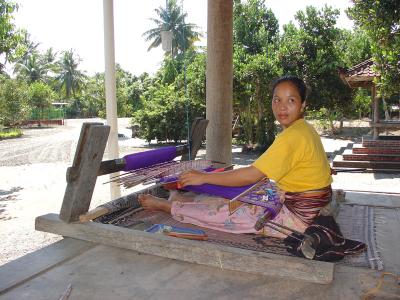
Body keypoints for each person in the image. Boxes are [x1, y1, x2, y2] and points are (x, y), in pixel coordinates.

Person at [139, 75, 333, 238]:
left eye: (291, 100)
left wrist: (203, 177)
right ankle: (183, 200)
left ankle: (167, 206)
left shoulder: (293, 137)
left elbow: (251, 175)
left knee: (224, 214)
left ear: (302, 105)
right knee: (244, 196)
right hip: (311, 204)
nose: (282, 107)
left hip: (299, 218)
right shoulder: (304, 128)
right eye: (277, 99)